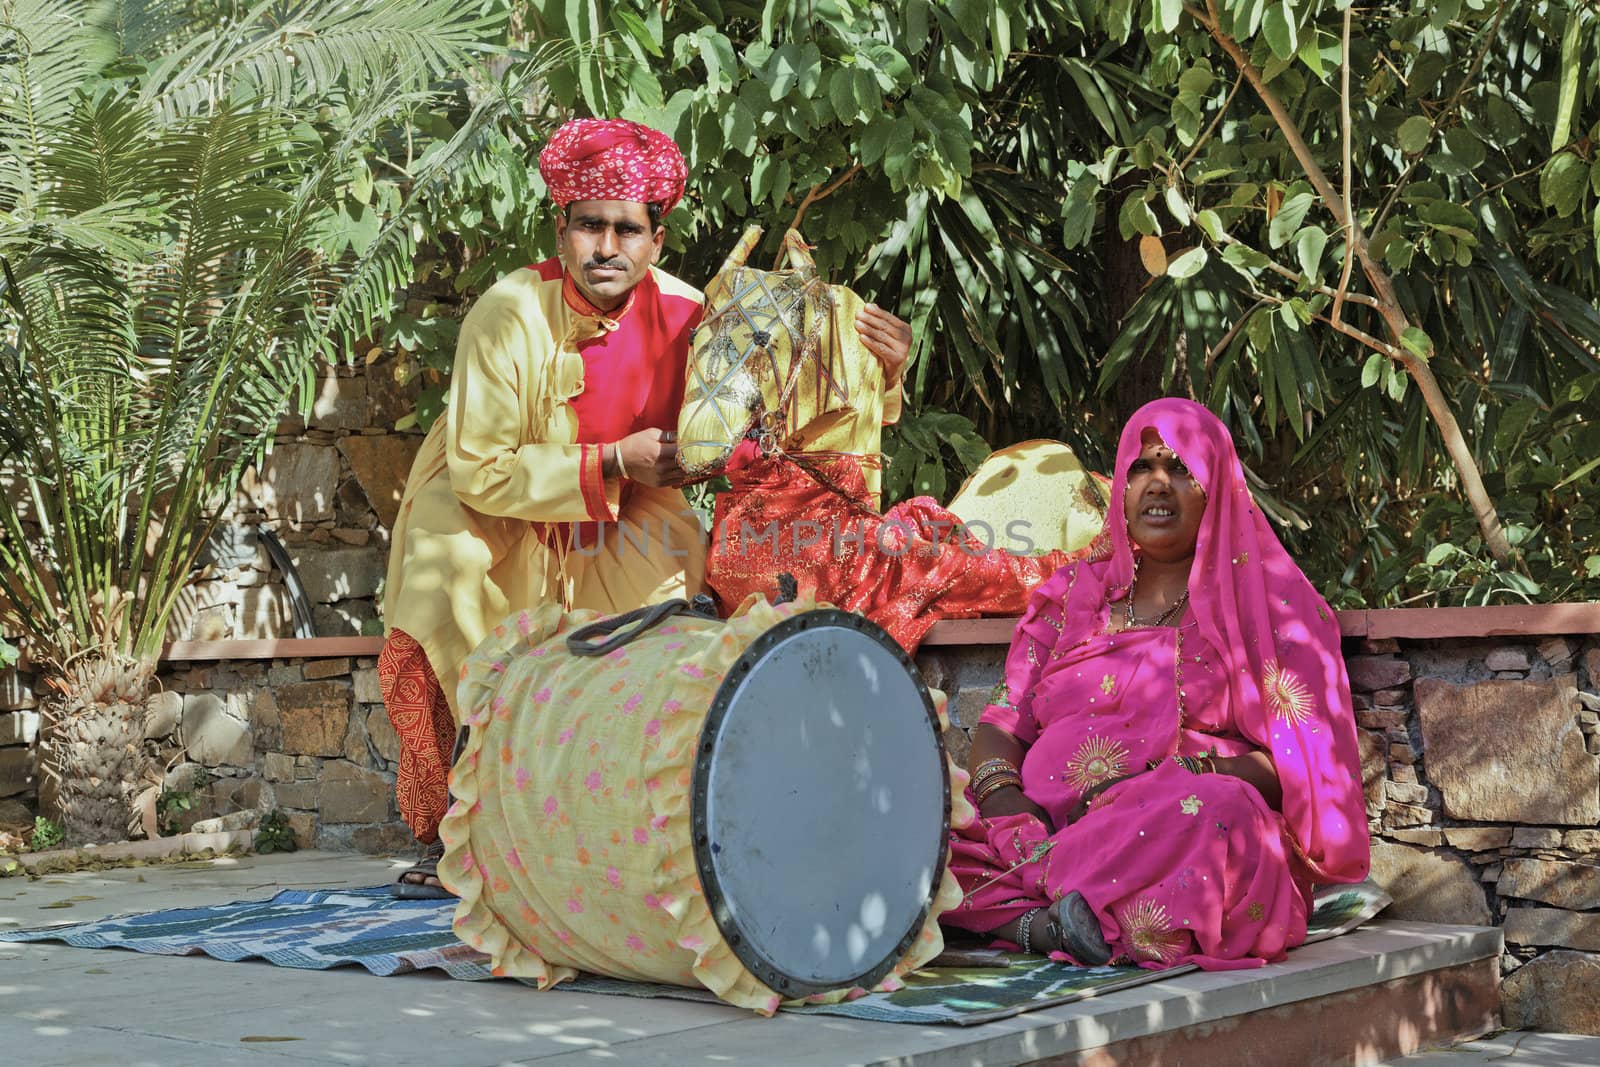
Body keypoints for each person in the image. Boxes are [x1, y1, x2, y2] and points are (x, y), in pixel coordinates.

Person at [378, 119, 913, 896]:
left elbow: (795, 410)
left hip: (627, 504)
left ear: (656, 241)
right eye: (589, 225)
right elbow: (481, 468)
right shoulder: (504, 314)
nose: (606, 246)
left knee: (677, 607)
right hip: (485, 503)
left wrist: (883, 372)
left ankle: (614, 821)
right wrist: (608, 461)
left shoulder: (698, 315)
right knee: (444, 580)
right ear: (560, 233)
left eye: (627, 229)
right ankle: (456, 830)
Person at [943, 398, 1369, 968]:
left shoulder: (1272, 609)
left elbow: (1302, 774)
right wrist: (1004, 800)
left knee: (1224, 812)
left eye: (1181, 468)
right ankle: (1052, 921)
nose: (1158, 484)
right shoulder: (1073, 592)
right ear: (1120, 484)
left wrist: (1183, 775)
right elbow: (1003, 719)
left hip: (1168, 825)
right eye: (1141, 468)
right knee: (913, 829)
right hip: (1034, 827)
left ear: (1216, 486)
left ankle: (1030, 915)